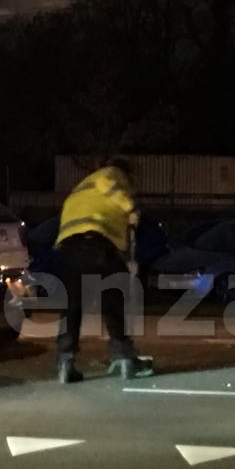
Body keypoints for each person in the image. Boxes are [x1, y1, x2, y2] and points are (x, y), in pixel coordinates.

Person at [54, 156, 154, 383]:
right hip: (98, 241)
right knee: (112, 301)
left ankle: (65, 362)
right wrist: (132, 208)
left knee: (72, 306)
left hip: (70, 246)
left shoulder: (81, 187)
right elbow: (108, 184)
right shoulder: (110, 174)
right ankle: (126, 358)